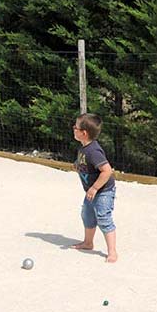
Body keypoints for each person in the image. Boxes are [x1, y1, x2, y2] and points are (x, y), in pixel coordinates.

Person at [70, 113, 118, 263]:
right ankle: (88, 243)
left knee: (103, 218)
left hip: (103, 191)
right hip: (91, 190)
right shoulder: (84, 148)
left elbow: (107, 171)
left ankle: (112, 252)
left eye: (75, 127)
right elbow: (86, 163)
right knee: (87, 215)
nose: (73, 129)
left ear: (84, 133)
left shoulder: (94, 151)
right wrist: (77, 165)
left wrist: (95, 188)